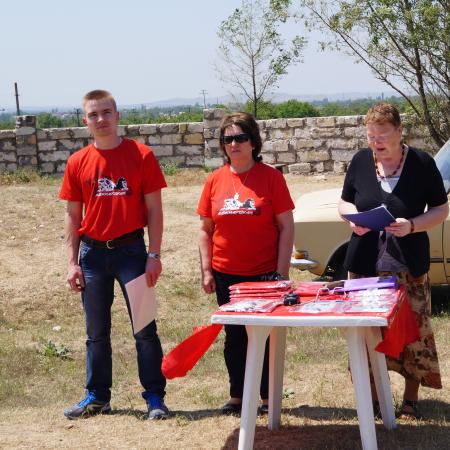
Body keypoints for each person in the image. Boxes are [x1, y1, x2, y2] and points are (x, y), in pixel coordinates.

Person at [60, 90, 169, 420]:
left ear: (117, 115)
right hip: (92, 255)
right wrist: (71, 263)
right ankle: (97, 397)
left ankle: (154, 398)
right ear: (85, 121)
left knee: (144, 329)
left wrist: (154, 254)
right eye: (94, 115)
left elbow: (154, 209)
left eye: (107, 112)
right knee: (96, 333)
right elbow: (72, 216)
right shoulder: (77, 162)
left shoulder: (141, 155)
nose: (101, 120)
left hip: (132, 252)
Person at [338, 102, 448, 419]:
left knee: (412, 332)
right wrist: (351, 220)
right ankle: (373, 398)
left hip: (408, 267)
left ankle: (411, 400)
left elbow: (442, 210)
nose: (376, 142)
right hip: (364, 266)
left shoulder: (423, 164)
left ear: (400, 132)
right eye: (371, 136)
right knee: (366, 332)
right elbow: (345, 201)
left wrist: (412, 225)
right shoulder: (360, 162)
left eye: (383, 135)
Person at [197, 112, 294, 415]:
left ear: (253, 141)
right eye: (228, 139)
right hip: (227, 273)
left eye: (241, 137)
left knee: (263, 336)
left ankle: (267, 397)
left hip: (264, 273)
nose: (235, 144)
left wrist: (281, 272)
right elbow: (205, 230)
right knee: (234, 336)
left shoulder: (271, 178)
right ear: (222, 145)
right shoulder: (214, 180)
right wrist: (206, 270)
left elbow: (286, 226)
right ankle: (238, 395)